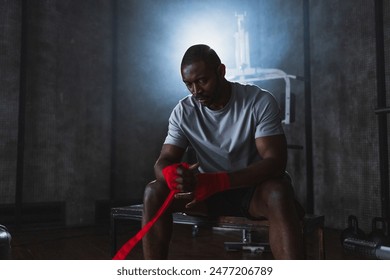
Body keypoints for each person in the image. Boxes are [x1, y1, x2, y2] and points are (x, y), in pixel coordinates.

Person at [142, 44, 304, 259]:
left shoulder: (258, 101)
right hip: (208, 192)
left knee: (278, 192)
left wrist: (221, 181)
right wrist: (172, 175)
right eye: (188, 84)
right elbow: (164, 161)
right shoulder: (183, 111)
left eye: (202, 80)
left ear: (221, 71)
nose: (196, 91)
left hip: (253, 192)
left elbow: (275, 162)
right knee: (153, 191)